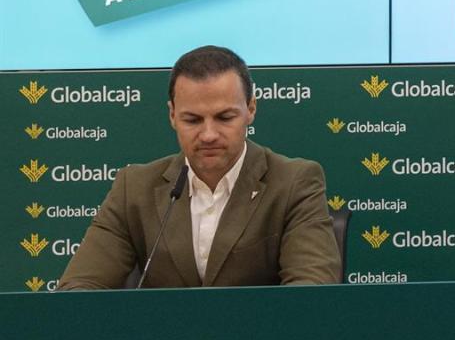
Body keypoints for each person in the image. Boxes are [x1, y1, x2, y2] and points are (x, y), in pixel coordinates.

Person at [58, 46, 340, 289]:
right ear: (172, 115)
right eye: (192, 120)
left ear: (251, 109)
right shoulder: (134, 188)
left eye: (224, 117)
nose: (208, 134)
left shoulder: (294, 182)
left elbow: (311, 292)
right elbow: (78, 290)